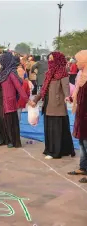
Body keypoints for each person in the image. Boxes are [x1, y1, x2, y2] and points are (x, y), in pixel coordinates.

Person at [0, 52, 33, 148]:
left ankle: (11, 141)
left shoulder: (12, 73)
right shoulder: (2, 72)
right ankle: (0, 139)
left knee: (9, 121)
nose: (0, 63)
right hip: (0, 100)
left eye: (2, 61)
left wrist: (27, 100)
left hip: (9, 100)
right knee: (0, 119)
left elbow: (19, 88)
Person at [33, 52, 75, 159]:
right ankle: (50, 149)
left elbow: (65, 86)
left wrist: (67, 96)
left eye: (52, 59)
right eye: (49, 59)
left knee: (56, 129)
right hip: (47, 104)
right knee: (49, 128)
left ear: (58, 60)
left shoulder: (62, 72)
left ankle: (55, 152)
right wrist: (36, 99)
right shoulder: (48, 73)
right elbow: (43, 89)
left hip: (57, 105)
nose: (50, 61)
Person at [68, 50, 87, 183]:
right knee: (82, 142)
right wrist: (72, 99)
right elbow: (78, 93)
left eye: (78, 60)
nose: (76, 63)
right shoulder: (82, 76)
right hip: (82, 114)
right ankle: (83, 167)